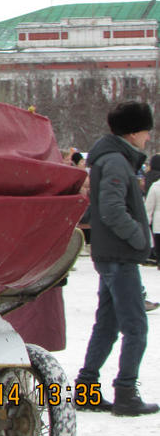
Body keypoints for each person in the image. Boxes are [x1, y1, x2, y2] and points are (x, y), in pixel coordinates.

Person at [75, 101, 158, 416]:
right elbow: (111, 209)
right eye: (147, 131)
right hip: (119, 256)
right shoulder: (116, 161)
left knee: (107, 325)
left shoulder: (112, 158)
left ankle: (85, 388)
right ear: (135, 132)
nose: (148, 138)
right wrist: (140, 236)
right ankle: (126, 392)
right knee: (136, 327)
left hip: (111, 254)